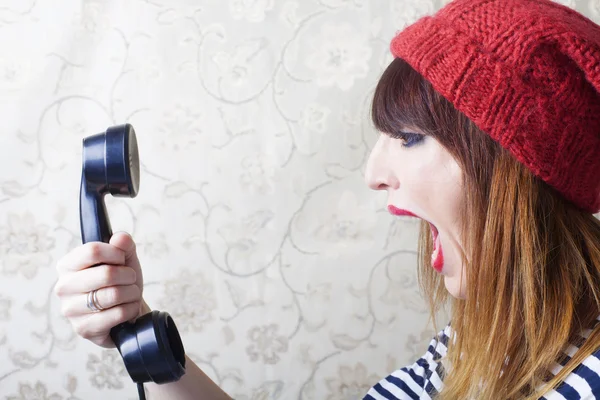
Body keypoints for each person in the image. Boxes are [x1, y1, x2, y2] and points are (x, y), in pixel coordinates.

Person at [53, 0, 600, 398]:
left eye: (409, 138)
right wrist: (146, 338)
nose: (375, 172)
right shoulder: (485, 337)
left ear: (517, 171)